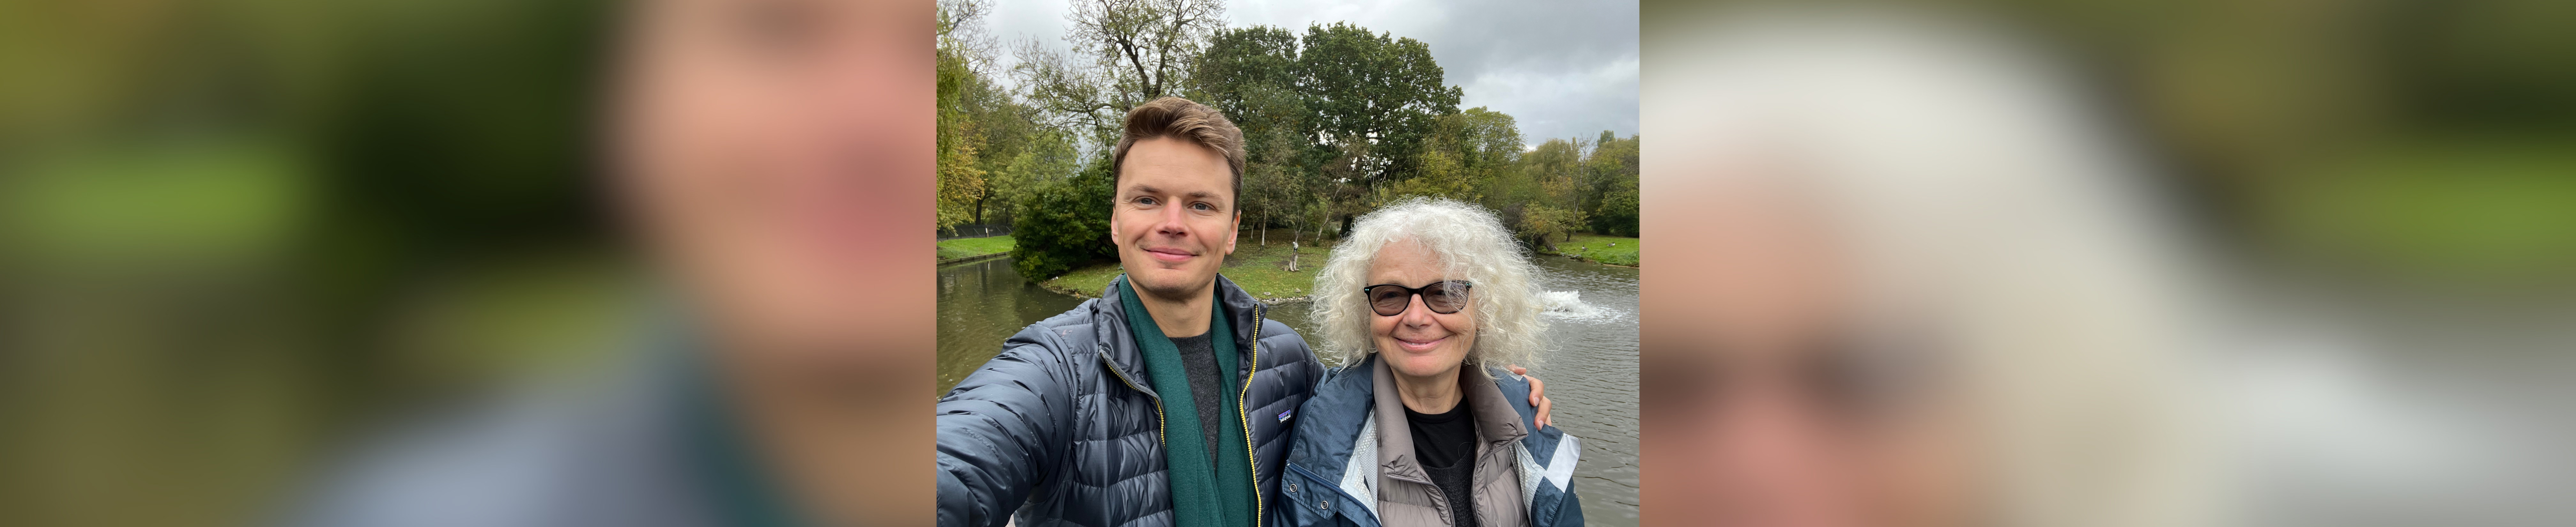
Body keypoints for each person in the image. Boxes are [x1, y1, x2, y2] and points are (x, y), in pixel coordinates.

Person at [935, 99, 1554, 527]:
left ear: (1232, 230)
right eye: (1148, 199)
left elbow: (1395, 382)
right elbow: (955, 462)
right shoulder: (1054, 367)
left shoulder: (1284, 356)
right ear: (1116, 220)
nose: (1173, 223)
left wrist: (1500, 390)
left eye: (1201, 205)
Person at [1276, 198, 1584, 527]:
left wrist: (1515, 393)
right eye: (1390, 295)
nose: (1417, 317)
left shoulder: (1525, 416)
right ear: (1364, 313)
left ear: (1484, 309)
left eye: (1446, 293)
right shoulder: (1323, 429)